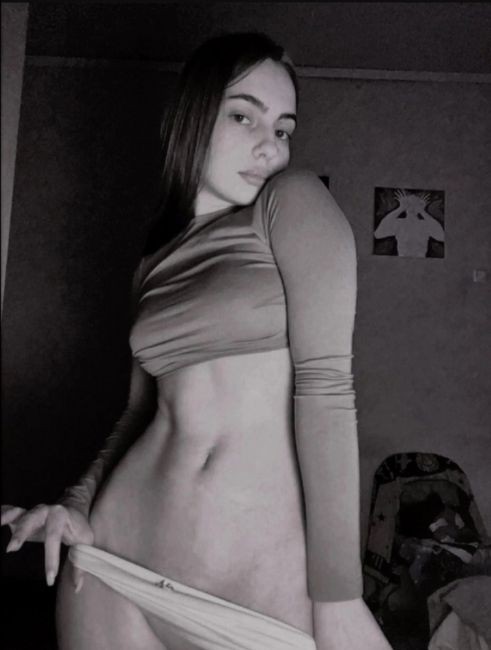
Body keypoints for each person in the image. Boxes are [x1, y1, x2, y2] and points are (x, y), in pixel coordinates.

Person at [2, 32, 392, 650]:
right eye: (243, 116)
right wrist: (75, 503)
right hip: (115, 563)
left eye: (283, 129)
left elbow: (326, 388)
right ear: (193, 117)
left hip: (258, 591)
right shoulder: (152, 262)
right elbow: (138, 414)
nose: (270, 145)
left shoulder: (293, 203)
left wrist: (339, 595)